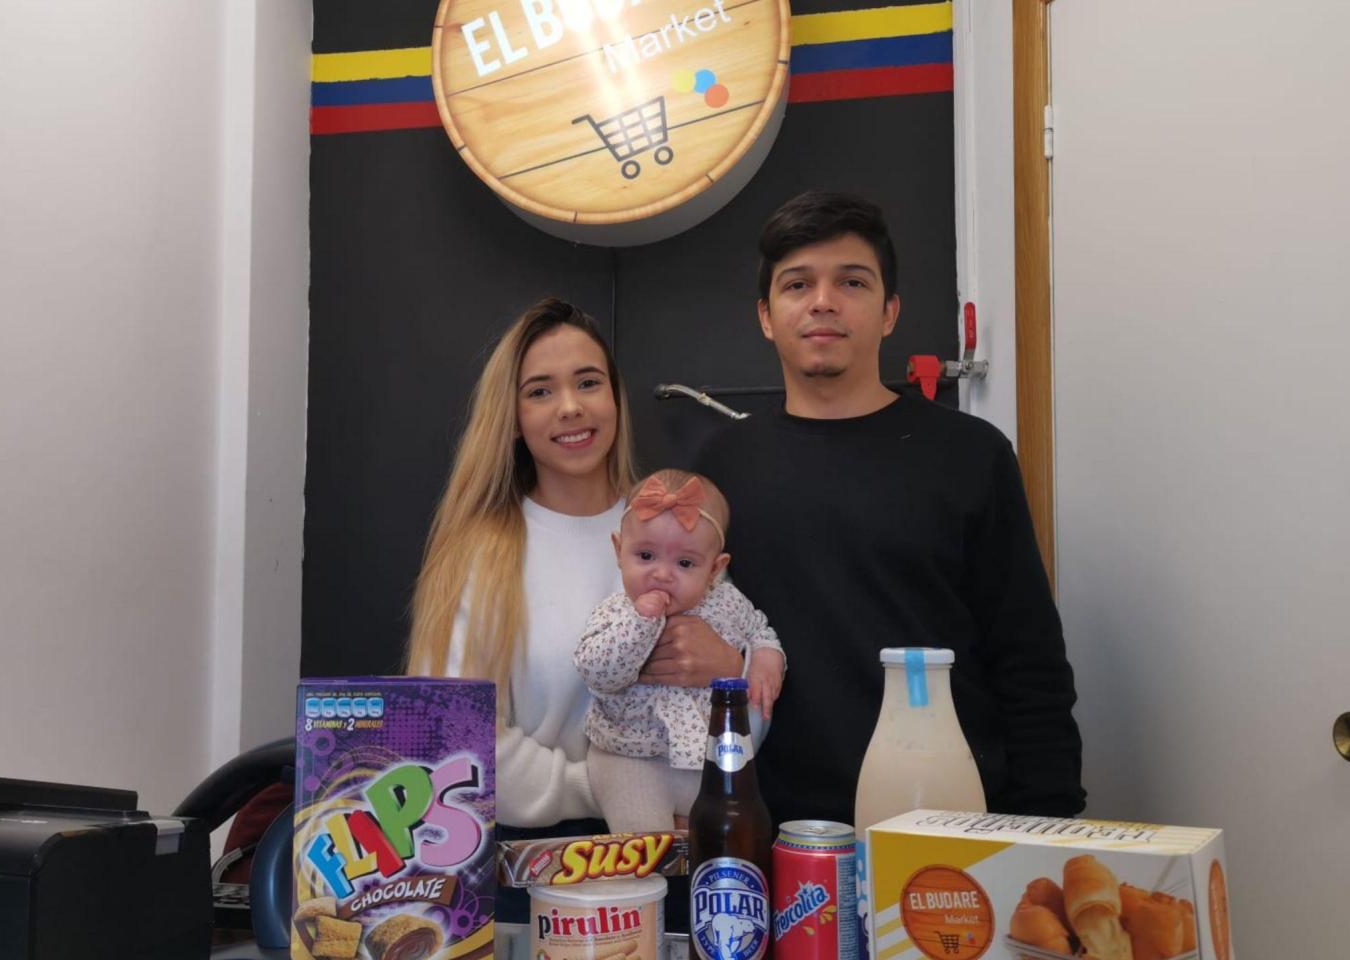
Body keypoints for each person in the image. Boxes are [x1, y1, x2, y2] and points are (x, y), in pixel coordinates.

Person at [693, 191, 1086, 827]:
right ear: (766, 316)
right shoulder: (720, 468)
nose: (824, 301)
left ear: (890, 311)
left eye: (851, 281)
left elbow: (1029, 659)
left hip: (948, 822)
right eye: (798, 284)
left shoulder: (970, 454)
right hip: (776, 834)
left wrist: (1051, 824)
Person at [406, 297, 638, 832]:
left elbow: (739, 710)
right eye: (540, 391)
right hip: (526, 872)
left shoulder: (675, 526)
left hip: (670, 861)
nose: (570, 407)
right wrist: (602, 789)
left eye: (588, 382)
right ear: (511, 419)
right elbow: (457, 740)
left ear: (615, 398)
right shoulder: (481, 554)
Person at [575, 468, 786, 833]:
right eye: (645, 556)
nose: (662, 574)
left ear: (715, 570)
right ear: (618, 551)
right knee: (645, 856)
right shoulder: (617, 611)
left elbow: (760, 630)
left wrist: (766, 657)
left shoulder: (727, 603)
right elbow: (598, 673)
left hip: (704, 759)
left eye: (685, 563)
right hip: (628, 758)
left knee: (718, 842)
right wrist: (640, 624)